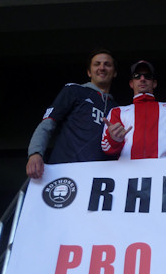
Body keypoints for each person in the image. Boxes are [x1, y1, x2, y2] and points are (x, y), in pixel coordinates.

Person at [26, 49, 118, 178]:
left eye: (107, 64)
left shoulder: (117, 109)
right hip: (64, 173)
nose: (102, 68)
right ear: (89, 72)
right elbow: (47, 124)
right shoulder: (74, 90)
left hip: (98, 178)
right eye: (97, 64)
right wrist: (35, 153)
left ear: (114, 73)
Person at [101, 60, 166, 159]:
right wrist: (114, 140)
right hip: (129, 168)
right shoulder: (117, 112)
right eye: (137, 76)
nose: (142, 79)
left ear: (154, 83)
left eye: (147, 76)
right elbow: (107, 148)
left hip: (164, 168)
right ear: (131, 83)